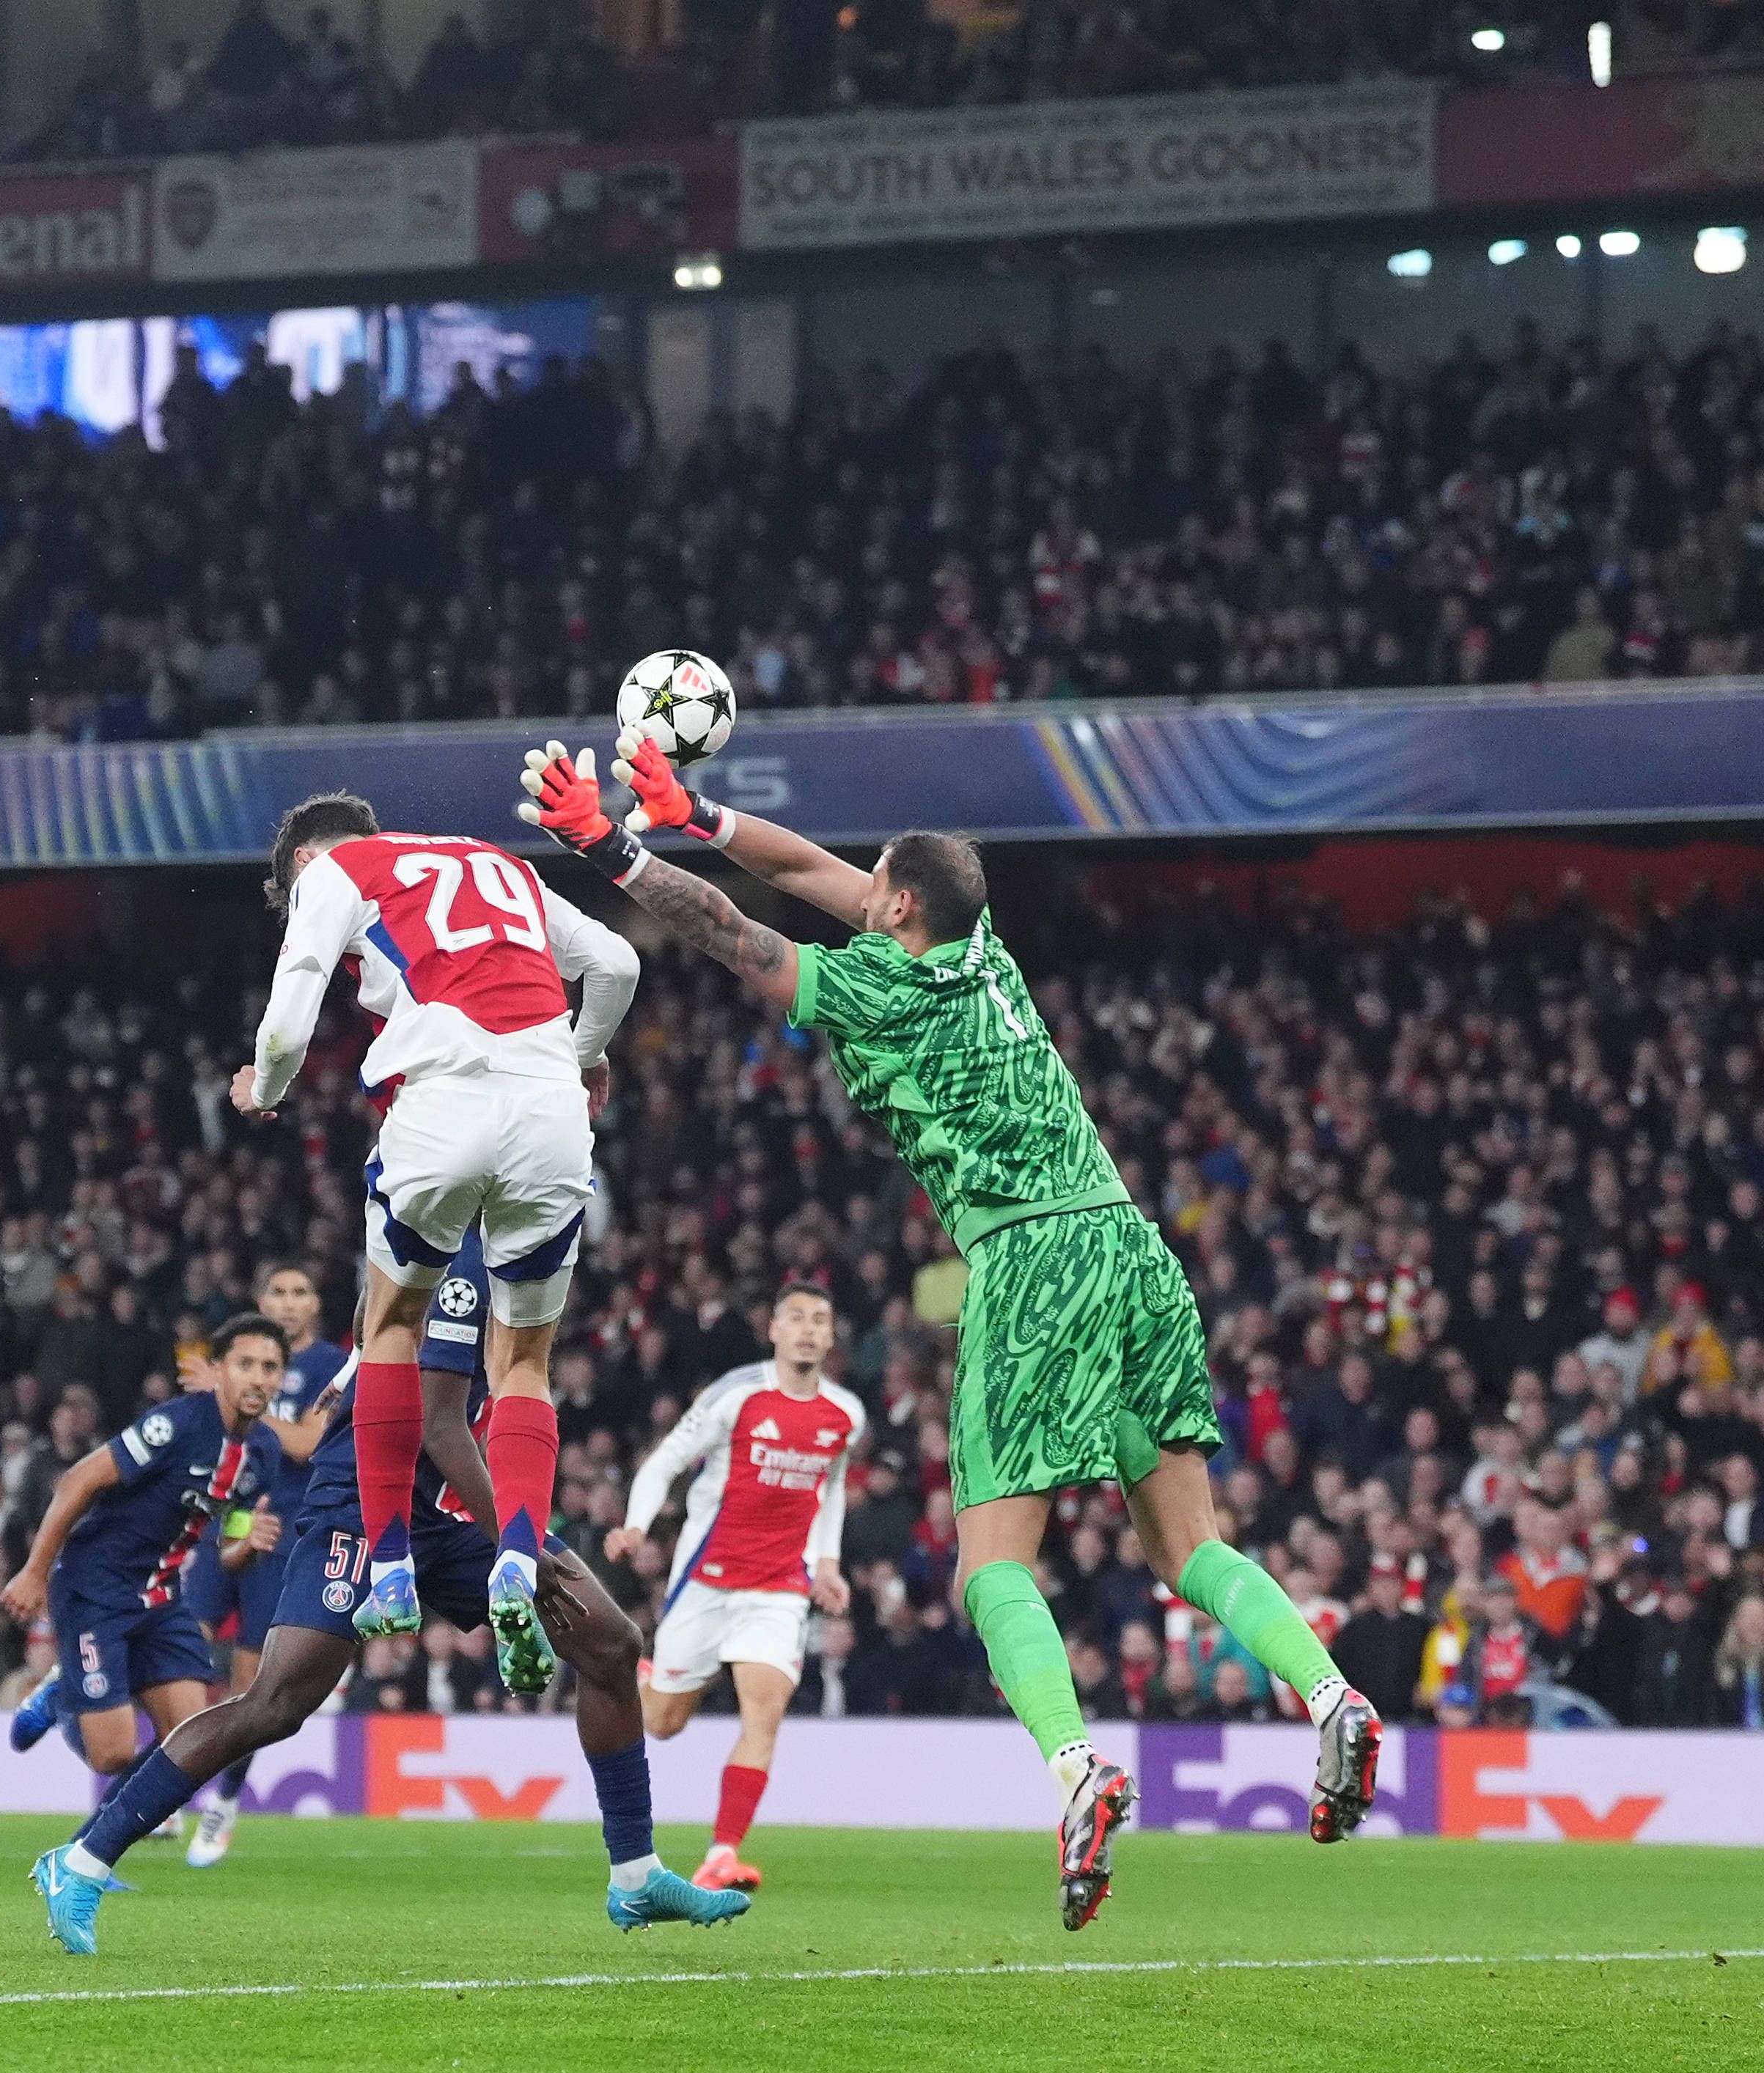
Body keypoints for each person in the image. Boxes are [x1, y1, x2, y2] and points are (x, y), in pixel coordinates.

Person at [521, 731, 1378, 1929]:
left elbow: (736, 934)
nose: (856, 894)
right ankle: (1329, 1695)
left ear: (903, 904)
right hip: (1127, 1245)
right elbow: (821, 878)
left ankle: (1076, 1771)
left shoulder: (876, 988)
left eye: (879, 888)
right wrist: (697, 812)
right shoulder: (981, 958)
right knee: (1187, 1544)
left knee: (991, 1569)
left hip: (1028, 1260)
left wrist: (614, 849)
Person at [31, 1236, 743, 1954]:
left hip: (437, 1508)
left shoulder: (517, 1246)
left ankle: (635, 1871)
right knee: (273, 1704)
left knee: (610, 1641)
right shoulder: (460, 1255)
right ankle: (81, 1860)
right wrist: (516, 1538)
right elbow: (437, 1423)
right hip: (359, 1504)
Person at [235, 792, 639, 1693]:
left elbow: (284, 1025)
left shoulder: (336, 872)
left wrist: (263, 1087)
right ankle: (518, 1553)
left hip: (440, 1103)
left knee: (389, 1326)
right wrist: (582, 1057)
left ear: (302, 865)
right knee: (524, 1362)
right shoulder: (496, 863)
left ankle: (385, 1565)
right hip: (547, 1112)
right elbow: (615, 961)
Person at [606, 1284, 864, 1893]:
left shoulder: (844, 1415)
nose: (807, 1328)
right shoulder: (735, 1396)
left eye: (819, 1320)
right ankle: (638, 1675)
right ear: (772, 1329)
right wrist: (637, 1526)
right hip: (706, 1581)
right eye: (795, 1317)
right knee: (663, 1722)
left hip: (777, 1590)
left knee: (764, 1714)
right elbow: (664, 1462)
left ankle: (722, 1853)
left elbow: (829, 1488)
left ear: (830, 1337)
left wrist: (825, 1564)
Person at [0, 1317, 289, 1777]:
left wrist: (248, 1545)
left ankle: (84, 1686)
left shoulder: (265, 1454)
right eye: (245, 1364)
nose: (258, 1377)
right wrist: (35, 1572)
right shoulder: (177, 1423)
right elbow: (79, 1480)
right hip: (96, 1588)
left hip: (161, 1598)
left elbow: (229, 1552)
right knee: (114, 1756)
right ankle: (66, 1694)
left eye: (270, 1368)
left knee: (192, 1746)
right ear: (219, 1370)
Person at [180, 1258, 348, 1868]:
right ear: (260, 1297)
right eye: (276, 1290)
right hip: (226, 1517)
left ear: (314, 1305)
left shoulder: (330, 1365)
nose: (287, 1301)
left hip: (284, 1534)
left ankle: (223, 1798)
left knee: (250, 1682)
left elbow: (305, 1441)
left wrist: (234, 1397)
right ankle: (168, 1787)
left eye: (300, 1291)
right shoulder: (240, 1358)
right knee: (178, 1652)